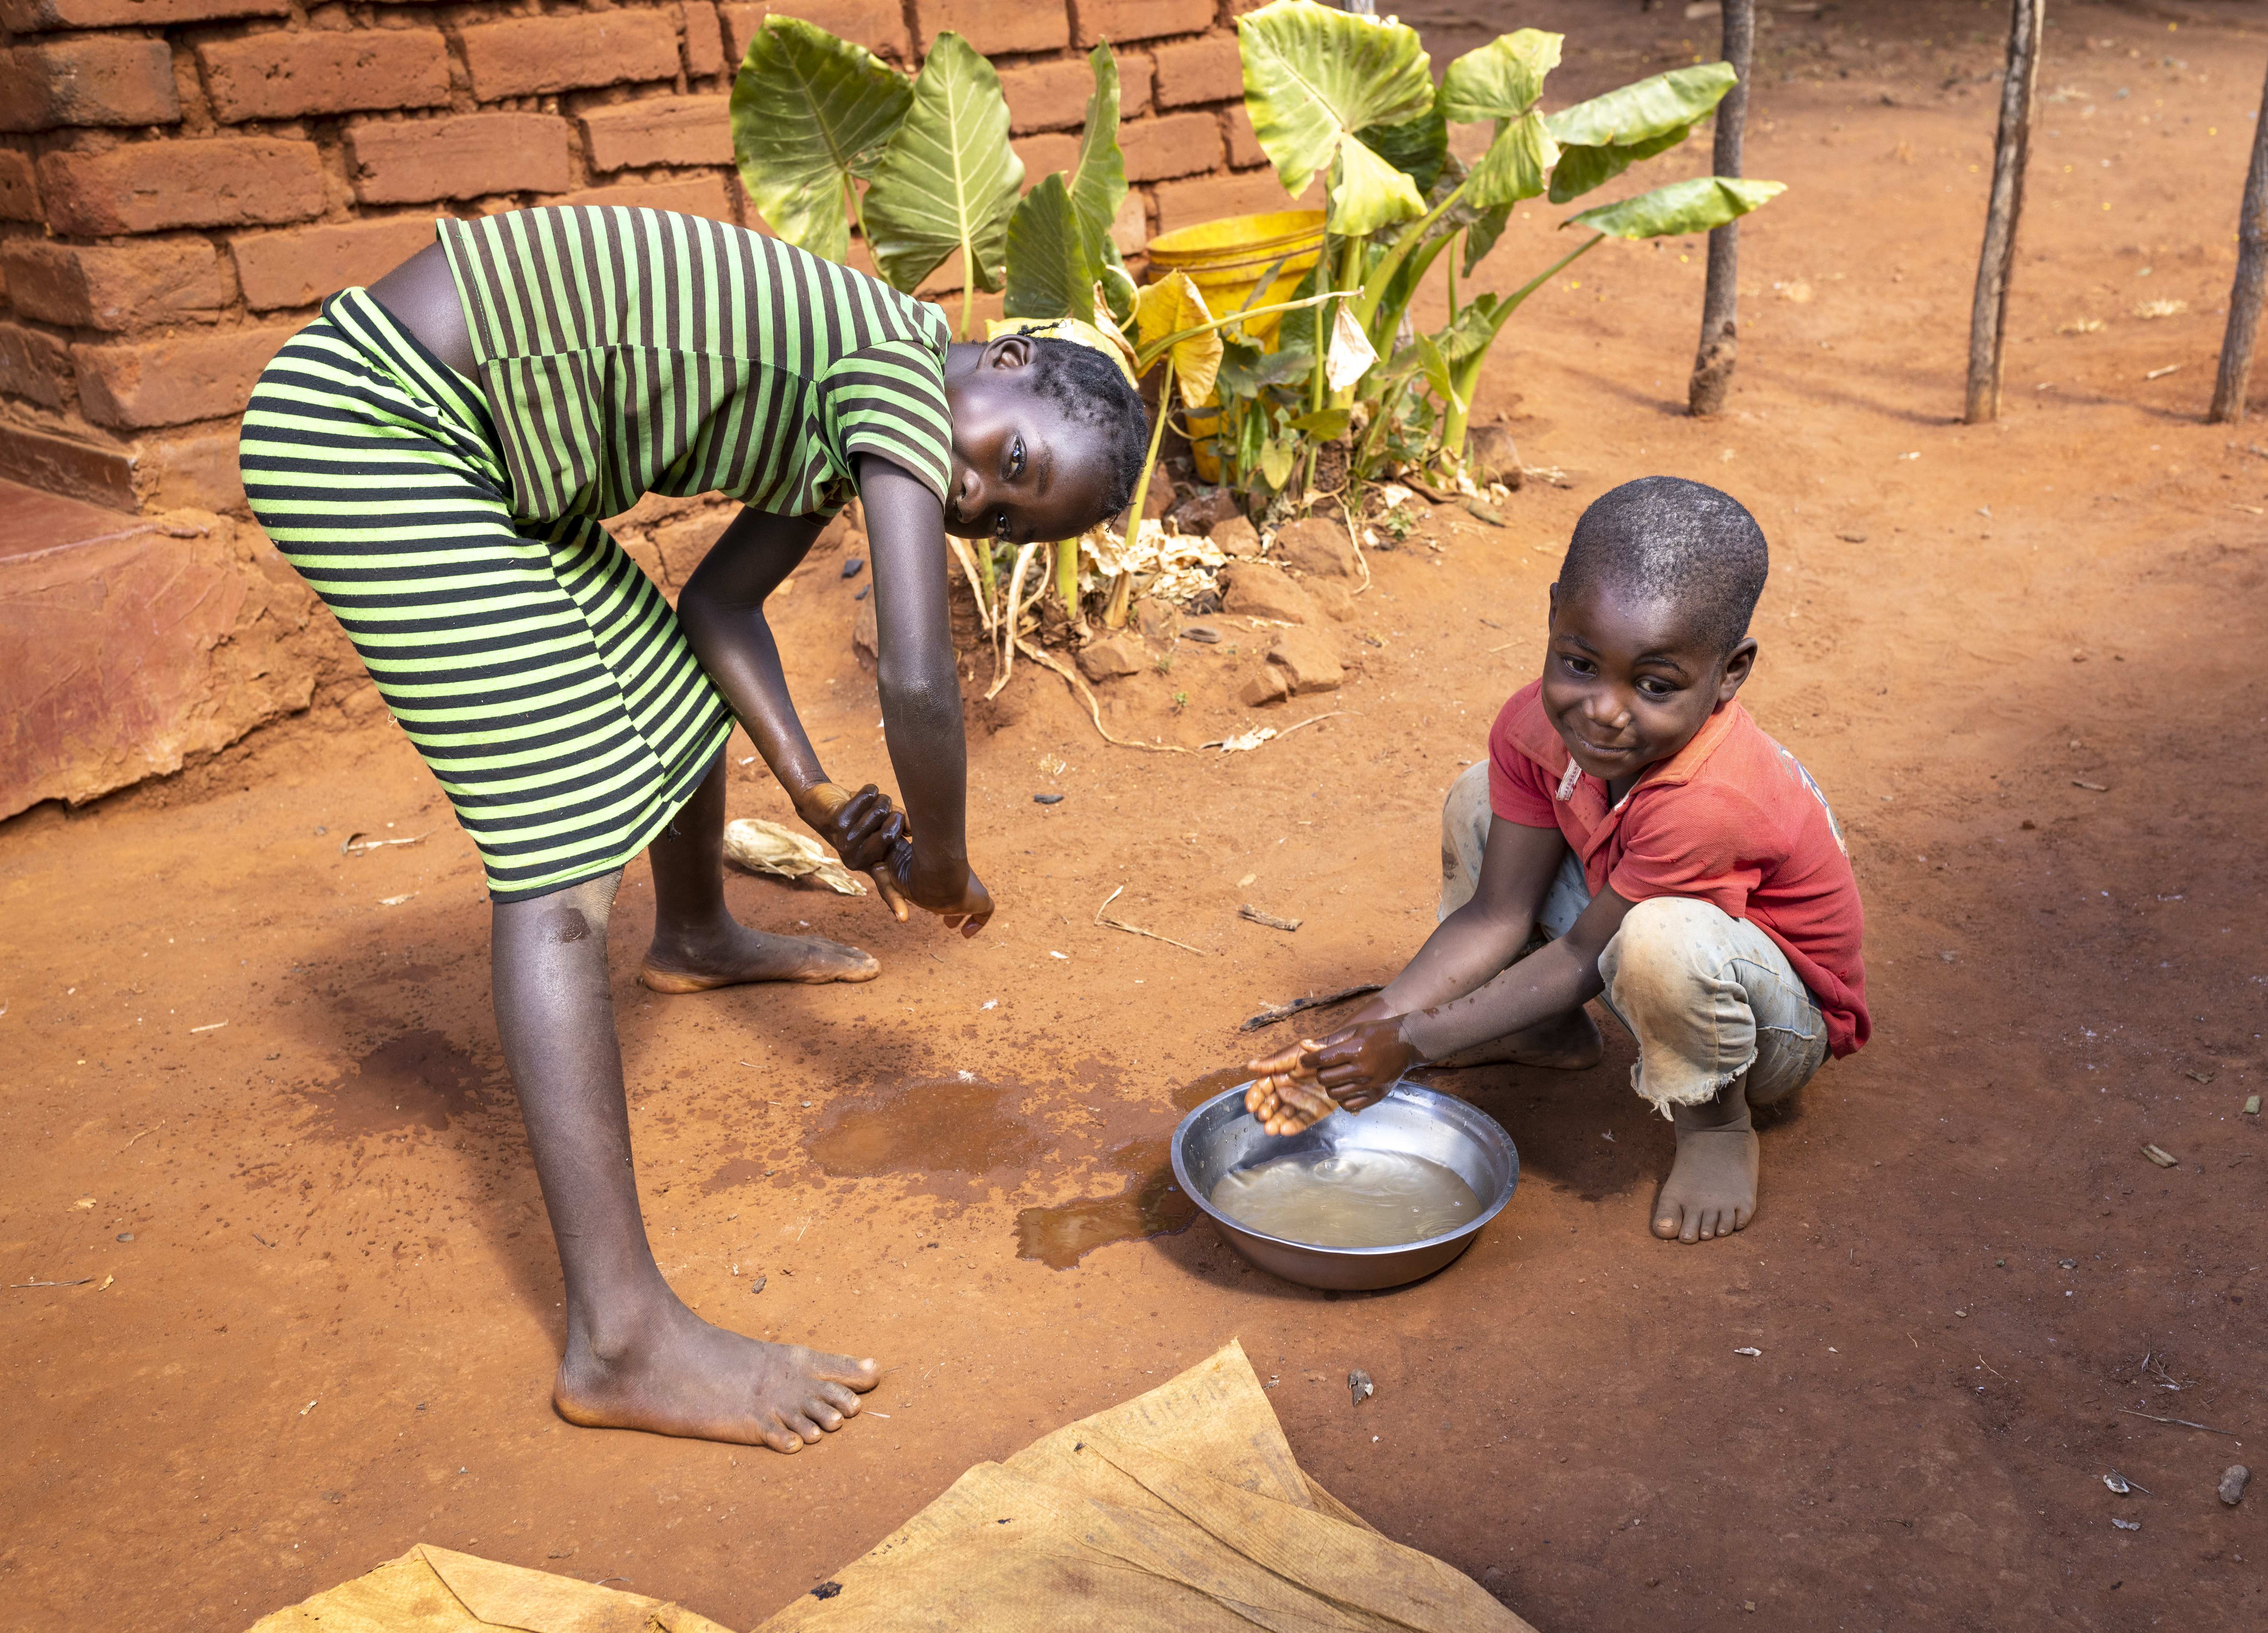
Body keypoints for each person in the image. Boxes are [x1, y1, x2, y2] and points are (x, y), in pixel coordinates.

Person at [238, 206, 1149, 1451]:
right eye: (1013, 461)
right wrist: (942, 864)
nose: (971, 494)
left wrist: (814, 792)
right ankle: (621, 1342)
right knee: (558, 852)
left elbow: (720, 608)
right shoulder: (897, 372)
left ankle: (697, 934)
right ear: (1005, 358)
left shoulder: (856, 403)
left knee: (671, 682)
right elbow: (918, 676)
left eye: (998, 519)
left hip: (465, 447)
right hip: (372, 425)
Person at [1243, 476, 1867, 1244]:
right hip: (1636, 932)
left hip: (1770, 1025)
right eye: (1579, 664)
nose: (1602, 710)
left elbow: (1583, 954)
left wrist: (1412, 1042)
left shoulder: (1714, 800)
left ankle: (1716, 1125)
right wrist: (1366, 1033)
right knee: (1480, 798)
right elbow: (1496, 913)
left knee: (1660, 936)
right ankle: (1542, 1034)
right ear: (1553, 619)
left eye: (1654, 685)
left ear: (1730, 673)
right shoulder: (1536, 728)